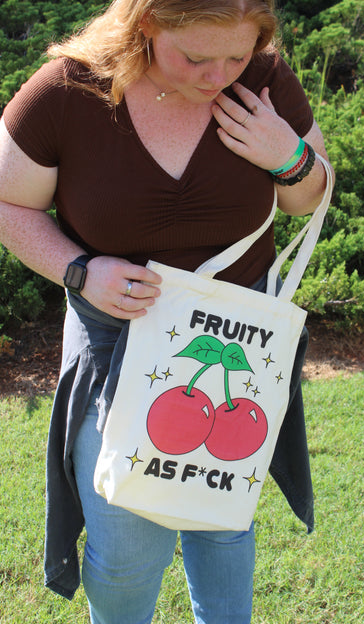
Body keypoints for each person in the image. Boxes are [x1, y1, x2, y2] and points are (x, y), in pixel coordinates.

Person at [0, 0, 334, 622]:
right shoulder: (68, 91)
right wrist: (79, 271)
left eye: (236, 55)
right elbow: (8, 204)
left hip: (236, 343)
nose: (218, 76)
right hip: (116, 341)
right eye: (196, 57)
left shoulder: (262, 78)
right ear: (144, 25)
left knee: (222, 520)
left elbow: (307, 198)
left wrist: (287, 157)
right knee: (125, 537)